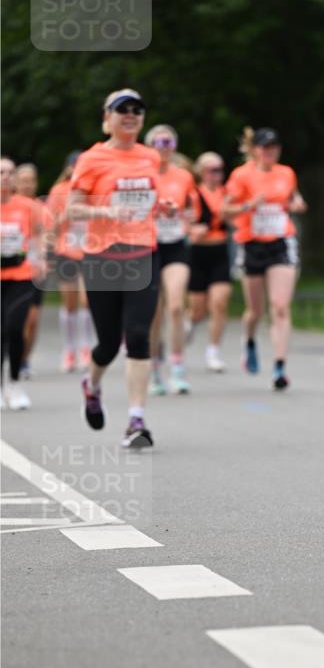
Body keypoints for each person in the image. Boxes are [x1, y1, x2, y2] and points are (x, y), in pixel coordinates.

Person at [67, 88, 169, 448]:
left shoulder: (150, 157)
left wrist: (165, 207)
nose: (130, 115)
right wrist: (106, 211)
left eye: (137, 110)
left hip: (143, 253)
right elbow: (72, 209)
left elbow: (150, 201)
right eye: (122, 109)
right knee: (108, 343)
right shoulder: (92, 159)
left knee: (139, 335)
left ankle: (136, 420)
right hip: (103, 258)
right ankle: (91, 385)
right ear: (107, 118)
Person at [225, 127, 307, 390]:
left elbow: (295, 198)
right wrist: (249, 205)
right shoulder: (241, 175)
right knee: (255, 311)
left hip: (281, 242)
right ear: (255, 150)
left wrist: (297, 205)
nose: (271, 152)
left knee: (280, 306)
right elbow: (225, 210)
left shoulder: (286, 173)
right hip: (251, 244)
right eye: (265, 147)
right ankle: (249, 340)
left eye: (275, 147)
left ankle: (280, 366)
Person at [145, 125, 199, 395]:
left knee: (176, 306)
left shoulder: (184, 177)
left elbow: (193, 210)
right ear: (150, 146)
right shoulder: (142, 175)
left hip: (176, 245)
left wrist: (190, 222)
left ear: (174, 146)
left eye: (168, 141)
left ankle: (177, 367)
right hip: (150, 247)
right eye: (159, 141)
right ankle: (155, 367)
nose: (164, 146)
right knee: (154, 312)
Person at [1, 157, 46, 409]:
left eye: (10, 173)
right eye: (1, 172)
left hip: (21, 275)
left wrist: (40, 259)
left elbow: (39, 235)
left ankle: (15, 383)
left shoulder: (28, 206)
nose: (6, 177)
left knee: (15, 328)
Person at [46, 151, 94, 372]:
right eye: (74, 167)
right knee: (70, 302)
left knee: (86, 301)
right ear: (69, 168)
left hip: (89, 250)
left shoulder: (94, 189)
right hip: (65, 250)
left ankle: (86, 347)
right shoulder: (59, 191)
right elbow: (49, 224)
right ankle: (69, 349)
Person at [188, 151, 232, 373]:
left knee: (220, 302)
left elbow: (236, 215)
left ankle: (213, 351)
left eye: (220, 169)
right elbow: (185, 222)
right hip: (198, 253)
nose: (218, 174)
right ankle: (190, 323)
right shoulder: (194, 195)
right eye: (213, 170)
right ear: (202, 172)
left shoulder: (227, 194)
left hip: (220, 251)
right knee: (198, 309)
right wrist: (194, 229)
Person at [15, 163, 49, 378]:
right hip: (10, 270)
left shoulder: (41, 208)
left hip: (34, 270)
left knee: (32, 319)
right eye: (24, 180)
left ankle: (24, 359)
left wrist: (44, 256)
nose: (28, 185)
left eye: (31, 180)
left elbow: (47, 234)